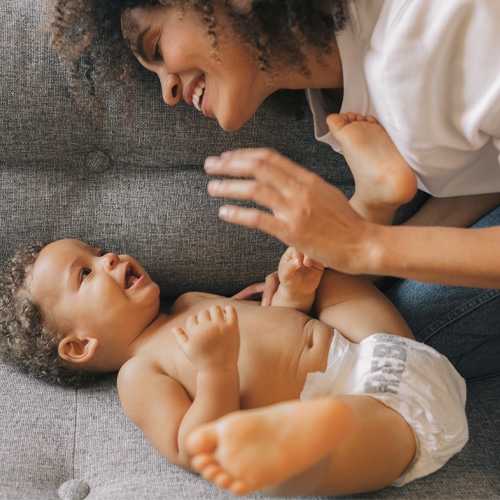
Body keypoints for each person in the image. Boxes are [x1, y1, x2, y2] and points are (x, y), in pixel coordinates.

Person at [47, 0, 500, 382]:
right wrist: (306, 290)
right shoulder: (340, 99)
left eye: (156, 46)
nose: (166, 90)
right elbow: (482, 182)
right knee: (360, 319)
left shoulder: (436, 31)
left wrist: (369, 245)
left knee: (389, 352)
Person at [0, 127, 467, 497]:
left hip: (380, 352)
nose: (109, 259)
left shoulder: (190, 303)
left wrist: (296, 292)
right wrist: (215, 369)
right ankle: (301, 441)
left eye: (97, 250)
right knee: (286, 461)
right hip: (371, 423)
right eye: (85, 274)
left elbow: (282, 325)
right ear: (80, 345)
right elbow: (191, 445)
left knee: (329, 269)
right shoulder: (140, 375)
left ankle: (376, 199)